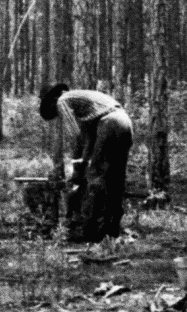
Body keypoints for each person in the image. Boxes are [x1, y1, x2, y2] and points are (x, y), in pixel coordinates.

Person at [39, 83, 133, 242]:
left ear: (53, 99)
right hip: (125, 122)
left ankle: (92, 232)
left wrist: (77, 170)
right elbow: (88, 140)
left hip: (110, 123)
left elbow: (76, 137)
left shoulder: (62, 101)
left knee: (95, 179)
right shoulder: (85, 105)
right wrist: (82, 164)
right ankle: (112, 230)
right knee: (116, 178)